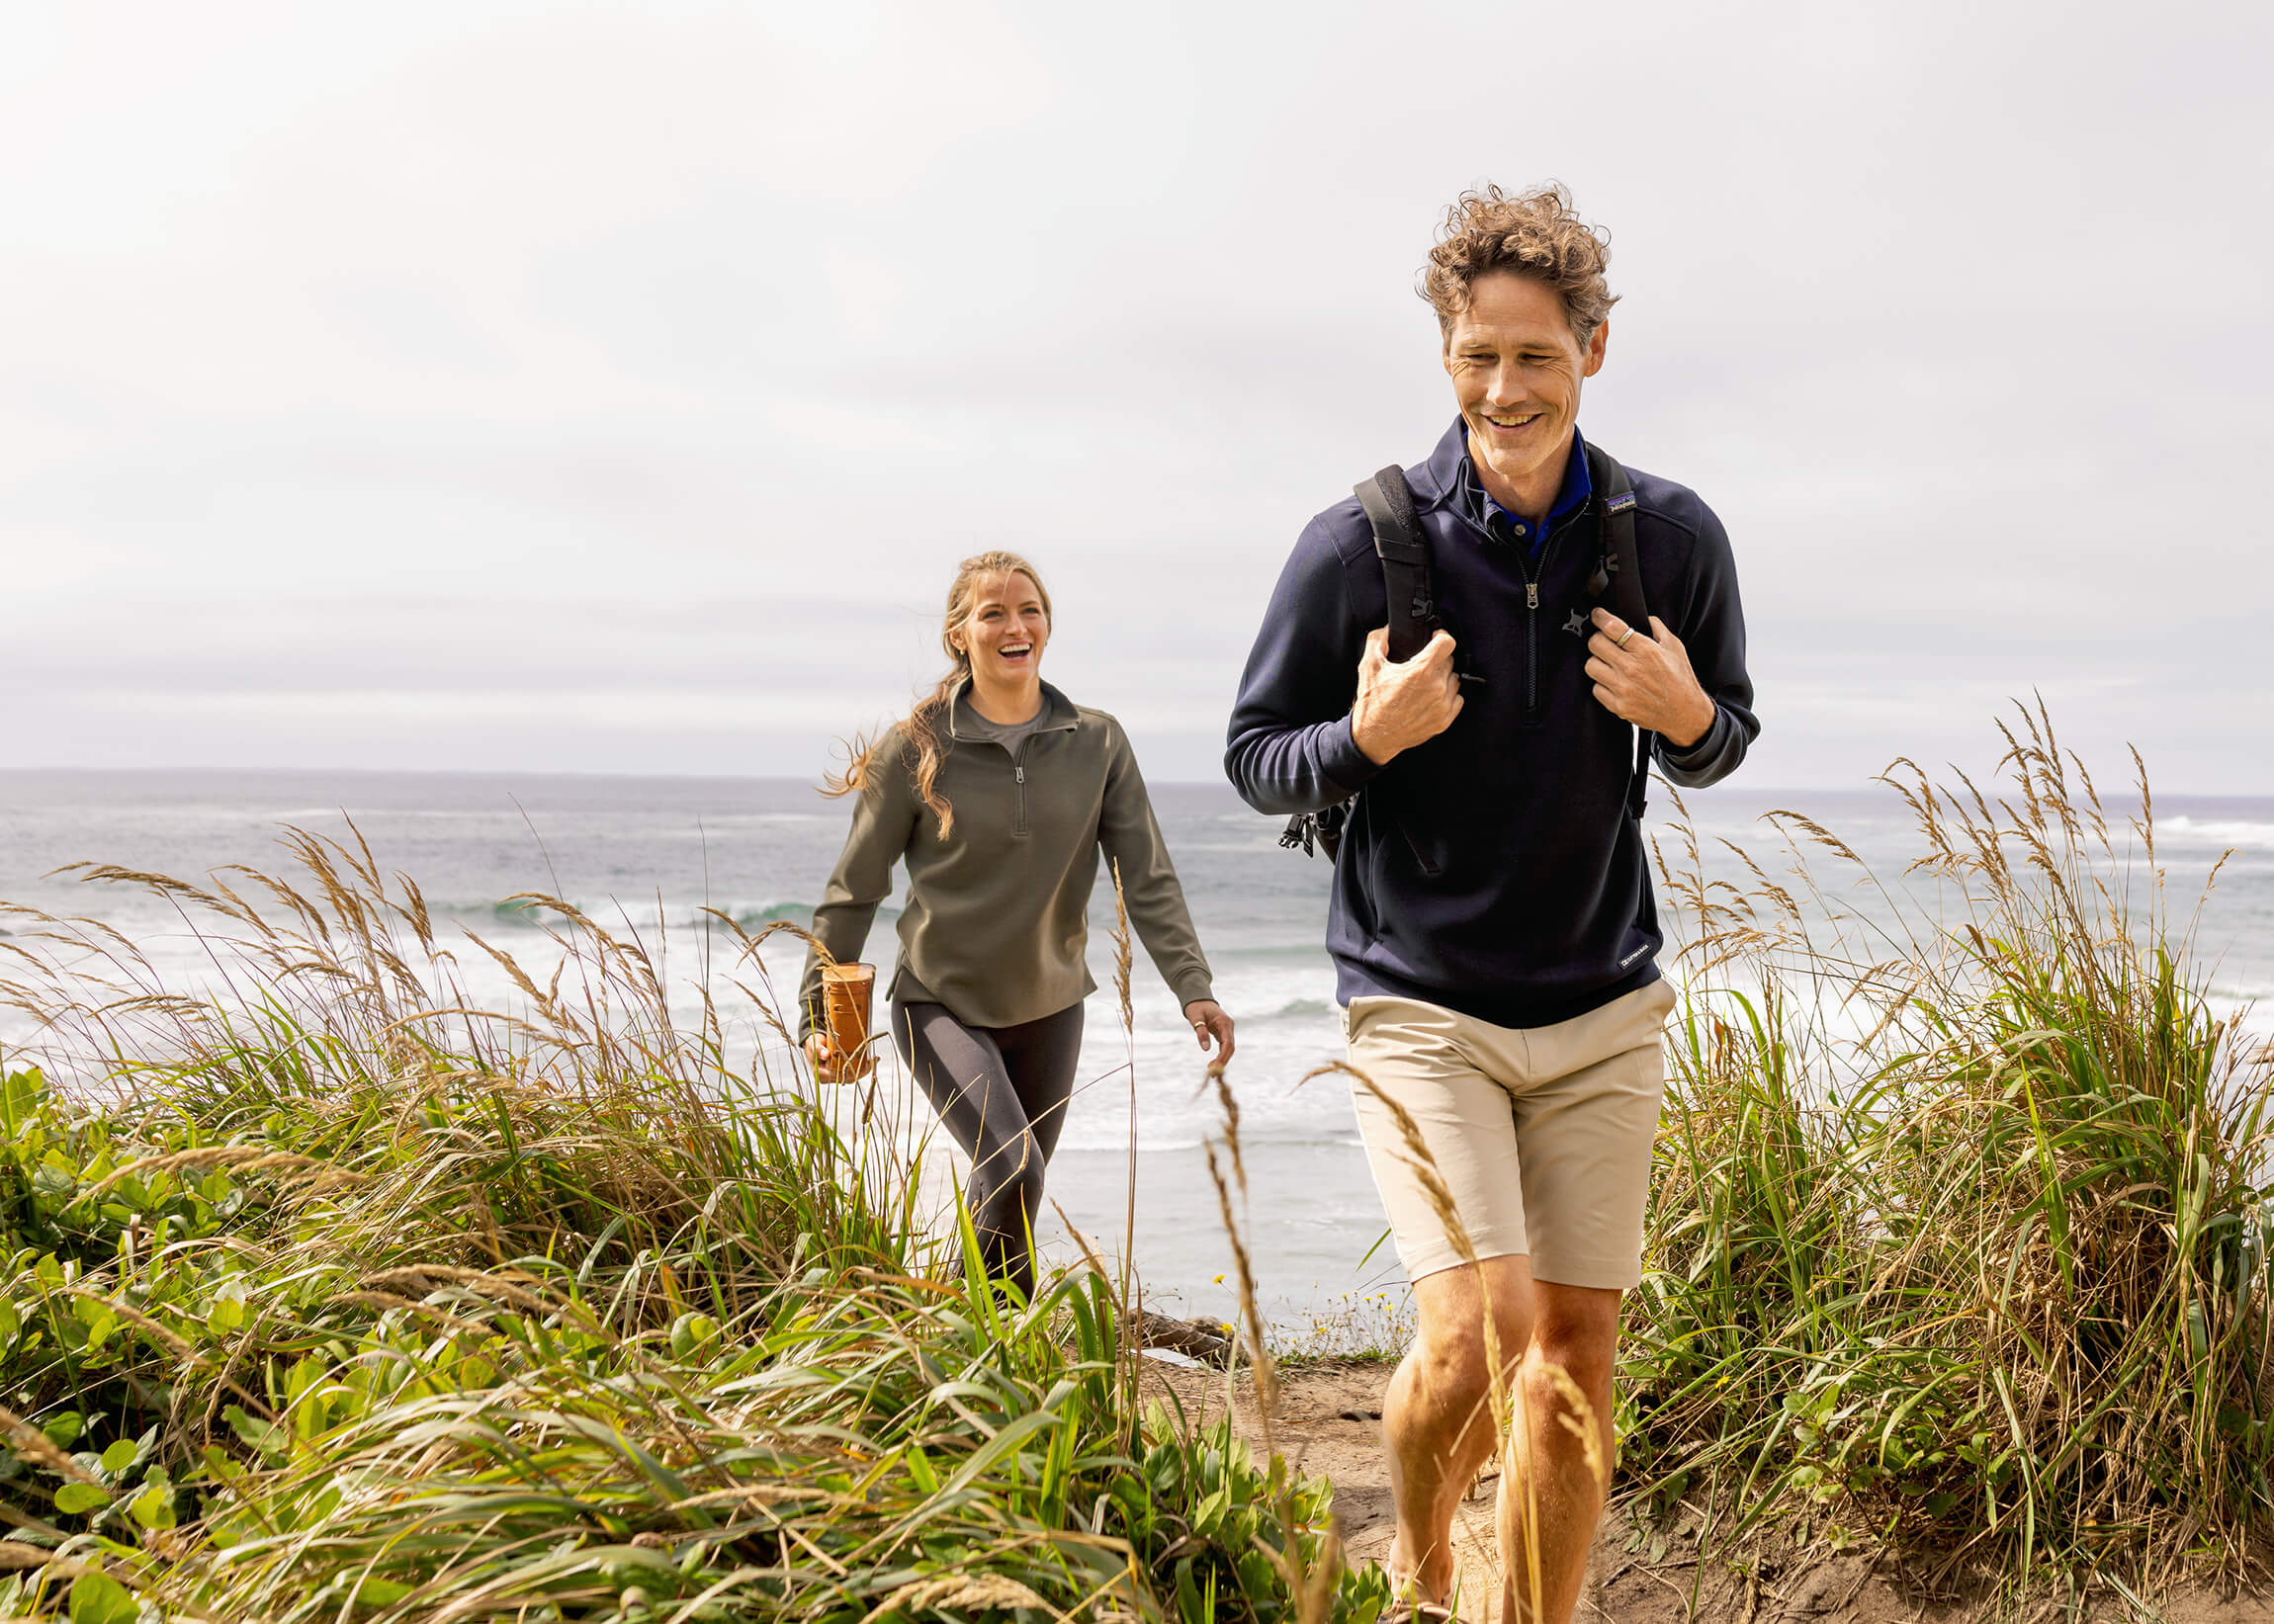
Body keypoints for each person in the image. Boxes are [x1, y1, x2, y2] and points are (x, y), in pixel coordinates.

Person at [1224, 186, 1757, 1621]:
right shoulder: (1362, 544)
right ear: (1446, 355)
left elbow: (1727, 738)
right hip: (1420, 997)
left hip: (1603, 1003)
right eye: (1477, 356)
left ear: (1592, 349)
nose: (1504, 389)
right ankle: (1418, 1541)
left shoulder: (1672, 539)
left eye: (1535, 355)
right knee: (1475, 1336)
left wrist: (1686, 707)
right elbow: (1253, 756)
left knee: (1574, 1354)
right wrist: (1366, 739)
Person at [800, 550, 1235, 1299]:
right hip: (939, 1003)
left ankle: (963, 1343)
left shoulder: (1096, 742)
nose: (1015, 624)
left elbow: (1149, 876)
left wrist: (1193, 987)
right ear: (959, 635)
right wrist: (822, 1017)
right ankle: (1003, 1354)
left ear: (1047, 627)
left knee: (1014, 1195)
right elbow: (853, 893)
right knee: (1012, 1160)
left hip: (1052, 1007)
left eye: (1029, 609)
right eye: (992, 611)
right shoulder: (915, 749)